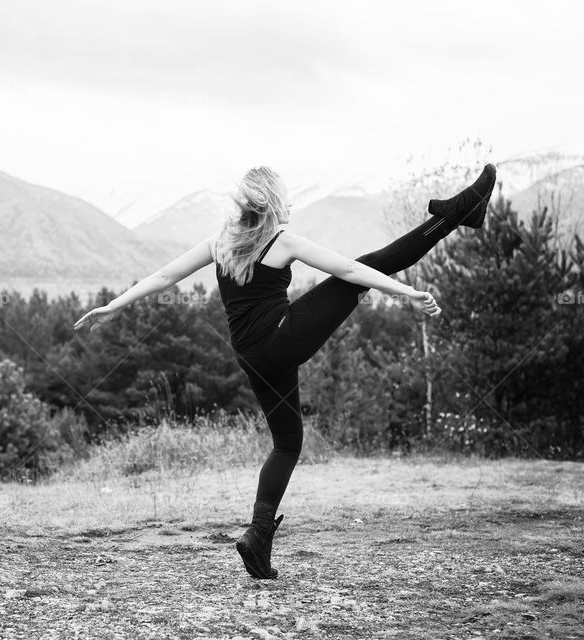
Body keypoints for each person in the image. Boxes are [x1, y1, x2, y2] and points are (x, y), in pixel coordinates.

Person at [73, 163, 497, 579]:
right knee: (368, 263)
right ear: (273, 200)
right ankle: (457, 214)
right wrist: (407, 292)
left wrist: (114, 306)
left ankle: (257, 537)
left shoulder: (218, 242)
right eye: (286, 195)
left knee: (287, 442)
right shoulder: (282, 241)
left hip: (251, 354)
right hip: (282, 338)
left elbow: (166, 276)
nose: (290, 202)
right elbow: (349, 270)